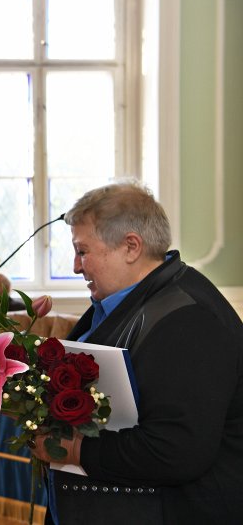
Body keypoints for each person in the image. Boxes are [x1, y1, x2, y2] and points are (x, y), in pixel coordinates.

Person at [28, 182, 243, 524]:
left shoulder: (190, 317)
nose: (75, 266)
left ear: (131, 247)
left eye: (83, 251)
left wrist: (74, 450)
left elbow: (177, 450)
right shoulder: (120, 301)